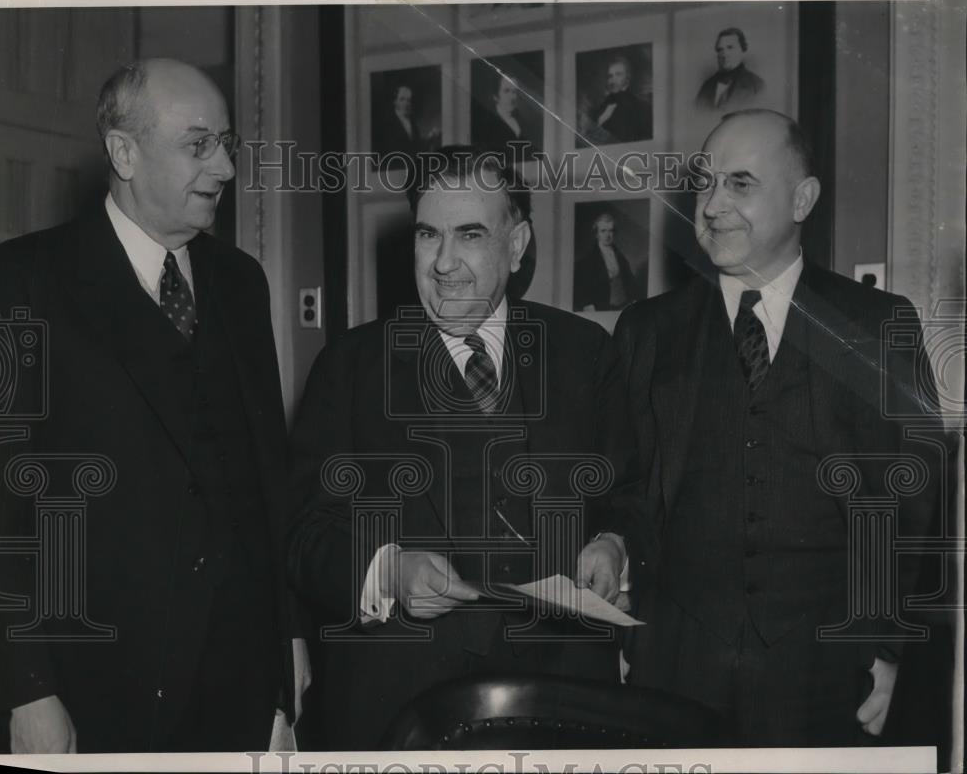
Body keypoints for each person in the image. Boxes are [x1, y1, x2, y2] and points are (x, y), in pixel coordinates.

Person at [0, 58, 306, 753]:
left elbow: (267, 487)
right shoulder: (23, 280)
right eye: (199, 145)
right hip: (97, 687)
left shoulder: (241, 283)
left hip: (239, 686)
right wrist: (27, 687)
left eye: (227, 144)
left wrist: (289, 652)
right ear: (123, 152)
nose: (223, 168)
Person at [613, 109, 946, 746]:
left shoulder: (878, 325)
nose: (710, 206)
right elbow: (626, 493)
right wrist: (625, 628)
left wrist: (892, 652)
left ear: (802, 199)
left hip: (830, 675)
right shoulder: (646, 333)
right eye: (705, 183)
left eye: (740, 184)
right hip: (674, 669)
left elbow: (916, 506)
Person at [288, 146, 636, 750]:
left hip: (565, 705)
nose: (444, 263)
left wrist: (613, 543)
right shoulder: (348, 367)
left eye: (470, 234)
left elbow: (629, 495)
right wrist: (388, 570)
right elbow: (303, 535)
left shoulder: (586, 354)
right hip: (398, 713)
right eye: (429, 236)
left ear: (517, 244)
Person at [573, 212, 644, 311]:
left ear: (614, 233)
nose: (607, 235)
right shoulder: (586, 261)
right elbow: (579, 290)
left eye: (610, 231)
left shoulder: (621, 258)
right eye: (603, 231)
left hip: (623, 307)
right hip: (600, 309)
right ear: (596, 234)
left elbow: (630, 283)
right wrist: (587, 305)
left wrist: (634, 301)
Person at [583, 55, 651, 145]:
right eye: (610, 76)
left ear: (627, 78)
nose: (613, 80)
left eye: (618, 74)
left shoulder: (641, 106)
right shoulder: (600, 107)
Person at [695, 27, 765, 111]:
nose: (724, 54)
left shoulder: (757, 85)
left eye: (730, 47)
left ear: (743, 50)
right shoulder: (706, 86)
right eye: (720, 50)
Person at [474, 74, 532, 160]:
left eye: (514, 92)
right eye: (506, 91)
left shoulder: (524, 123)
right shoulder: (486, 125)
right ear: (495, 96)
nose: (513, 97)